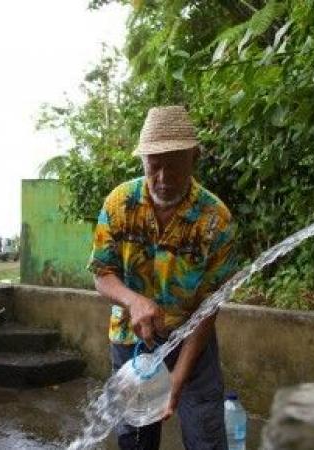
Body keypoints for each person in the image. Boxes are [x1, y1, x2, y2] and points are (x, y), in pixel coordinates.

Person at [87, 105, 237, 450]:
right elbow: (101, 273)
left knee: (206, 438)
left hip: (192, 343)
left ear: (194, 159)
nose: (164, 179)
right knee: (136, 439)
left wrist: (179, 377)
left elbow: (207, 308)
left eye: (175, 166)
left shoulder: (216, 219)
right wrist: (133, 300)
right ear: (143, 162)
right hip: (131, 342)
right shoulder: (119, 204)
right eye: (154, 167)